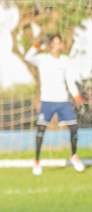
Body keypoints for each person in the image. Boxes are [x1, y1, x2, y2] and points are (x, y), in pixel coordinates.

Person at [25, 34, 85, 175]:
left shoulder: (65, 60)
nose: (54, 45)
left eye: (57, 42)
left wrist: (77, 96)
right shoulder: (43, 59)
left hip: (62, 101)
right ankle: (37, 161)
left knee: (74, 128)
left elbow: (69, 80)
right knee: (41, 129)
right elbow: (28, 57)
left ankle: (74, 155)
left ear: (61, 45)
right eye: (52, 42)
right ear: (49, 44)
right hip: (47, 101)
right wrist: (38, 43)